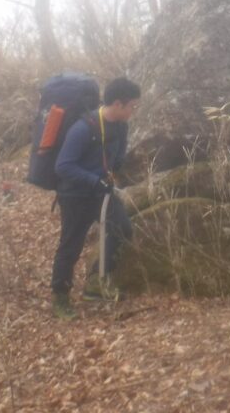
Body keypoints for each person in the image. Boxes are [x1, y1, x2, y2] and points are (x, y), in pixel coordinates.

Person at [50, 77, 141, 320]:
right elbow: (63, 166)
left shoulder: (121, 126)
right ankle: (60, 298)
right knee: (71, 245)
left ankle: (95, 284)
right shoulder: (84, 128)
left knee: (122, 228)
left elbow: (117, 157)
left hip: (102, 191)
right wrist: (93, 180)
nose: (134, 110)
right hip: (76, 194)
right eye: (133, 105)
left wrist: (112, 172)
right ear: (119, 104)